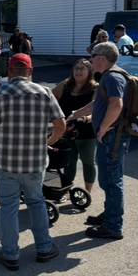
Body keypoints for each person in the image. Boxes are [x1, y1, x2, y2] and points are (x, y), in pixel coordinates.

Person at [0, 54, 66, 271]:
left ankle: (10, 255)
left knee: (8, 207)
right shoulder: (44, 93)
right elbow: (60, 125)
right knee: (36, 202)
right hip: (35, 163)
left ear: (9, 71)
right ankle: (44, 248)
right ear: (30, 71)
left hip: (5, 162)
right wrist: (47, 142)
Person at [70, 42, 129, 240]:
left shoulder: (112, 77)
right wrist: (75, 114)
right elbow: (98, 104)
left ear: (102, 58)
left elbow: (116, 104)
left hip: (112, 136)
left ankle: (113, 226)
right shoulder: (110, 76)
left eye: (92, 56)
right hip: (112, 136)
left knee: (112, 181)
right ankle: (109, 216)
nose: (89, 60)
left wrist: (103, 129)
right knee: (109, 179)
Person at [52, 59, 98, 194]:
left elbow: (97, 107)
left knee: (88, 162)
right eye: (76, 68)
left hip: (87, 132)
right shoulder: (66, 84)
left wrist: (88, 118)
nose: (78, 71)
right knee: (68, 162)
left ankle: (87, 192)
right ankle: (67, 190)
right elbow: (51, 96)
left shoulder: (96, 87)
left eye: (82, 69)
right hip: (66, 131)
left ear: (89, 72)